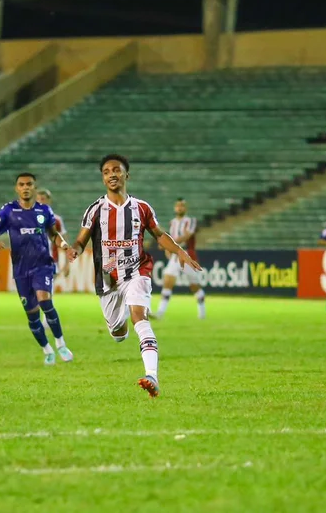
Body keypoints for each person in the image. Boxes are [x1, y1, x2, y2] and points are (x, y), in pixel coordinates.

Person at [67, 154, 202, 398]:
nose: (112, 175)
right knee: (118, 333)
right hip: (107, 276)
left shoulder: (141, 207)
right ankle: (121, 329)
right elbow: (81, 239)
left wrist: (180, 251)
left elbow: (159, 234)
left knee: (139, 316)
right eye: (107, 172)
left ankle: (152, 375)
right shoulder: (95, 209)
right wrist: (73, 251)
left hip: (137, 270)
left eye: (116, 170)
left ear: (126, 175)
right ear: (102, 178)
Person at [0, 173, 74, 366]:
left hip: (43, 264)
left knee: (45, 300)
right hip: (20, 269)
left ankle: (61, 344)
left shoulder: (44, 210)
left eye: (29, 184)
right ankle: (47, 350)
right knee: (32, 315)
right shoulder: (8, 211)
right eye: (21, 184)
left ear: (34, 188)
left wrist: (65, 246)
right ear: (16, 188)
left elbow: (54, 234)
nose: (25, 187)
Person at [155, 198, 206, 320]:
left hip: (188, 255)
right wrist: (168, 248)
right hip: (175, 256)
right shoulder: (173, 222)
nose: (180, 208)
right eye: (178, 206)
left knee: (194, 285)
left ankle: (202, 313)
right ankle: (160, 313)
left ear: (185, 208)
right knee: (167, 282)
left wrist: (167, 244)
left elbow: (187, 236)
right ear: (175, 208)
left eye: (182, 206)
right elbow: (172, 238)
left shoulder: (191, 221)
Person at [37, 189, 69, 278]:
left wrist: (67, 264)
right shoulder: (29, 219)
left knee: (46, 291)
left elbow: (65, 241)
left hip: (51, 261)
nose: (40, 202)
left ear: (49, 200)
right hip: (33, 262)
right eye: (38, 199)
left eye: (42, 199)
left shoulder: (56, 220)